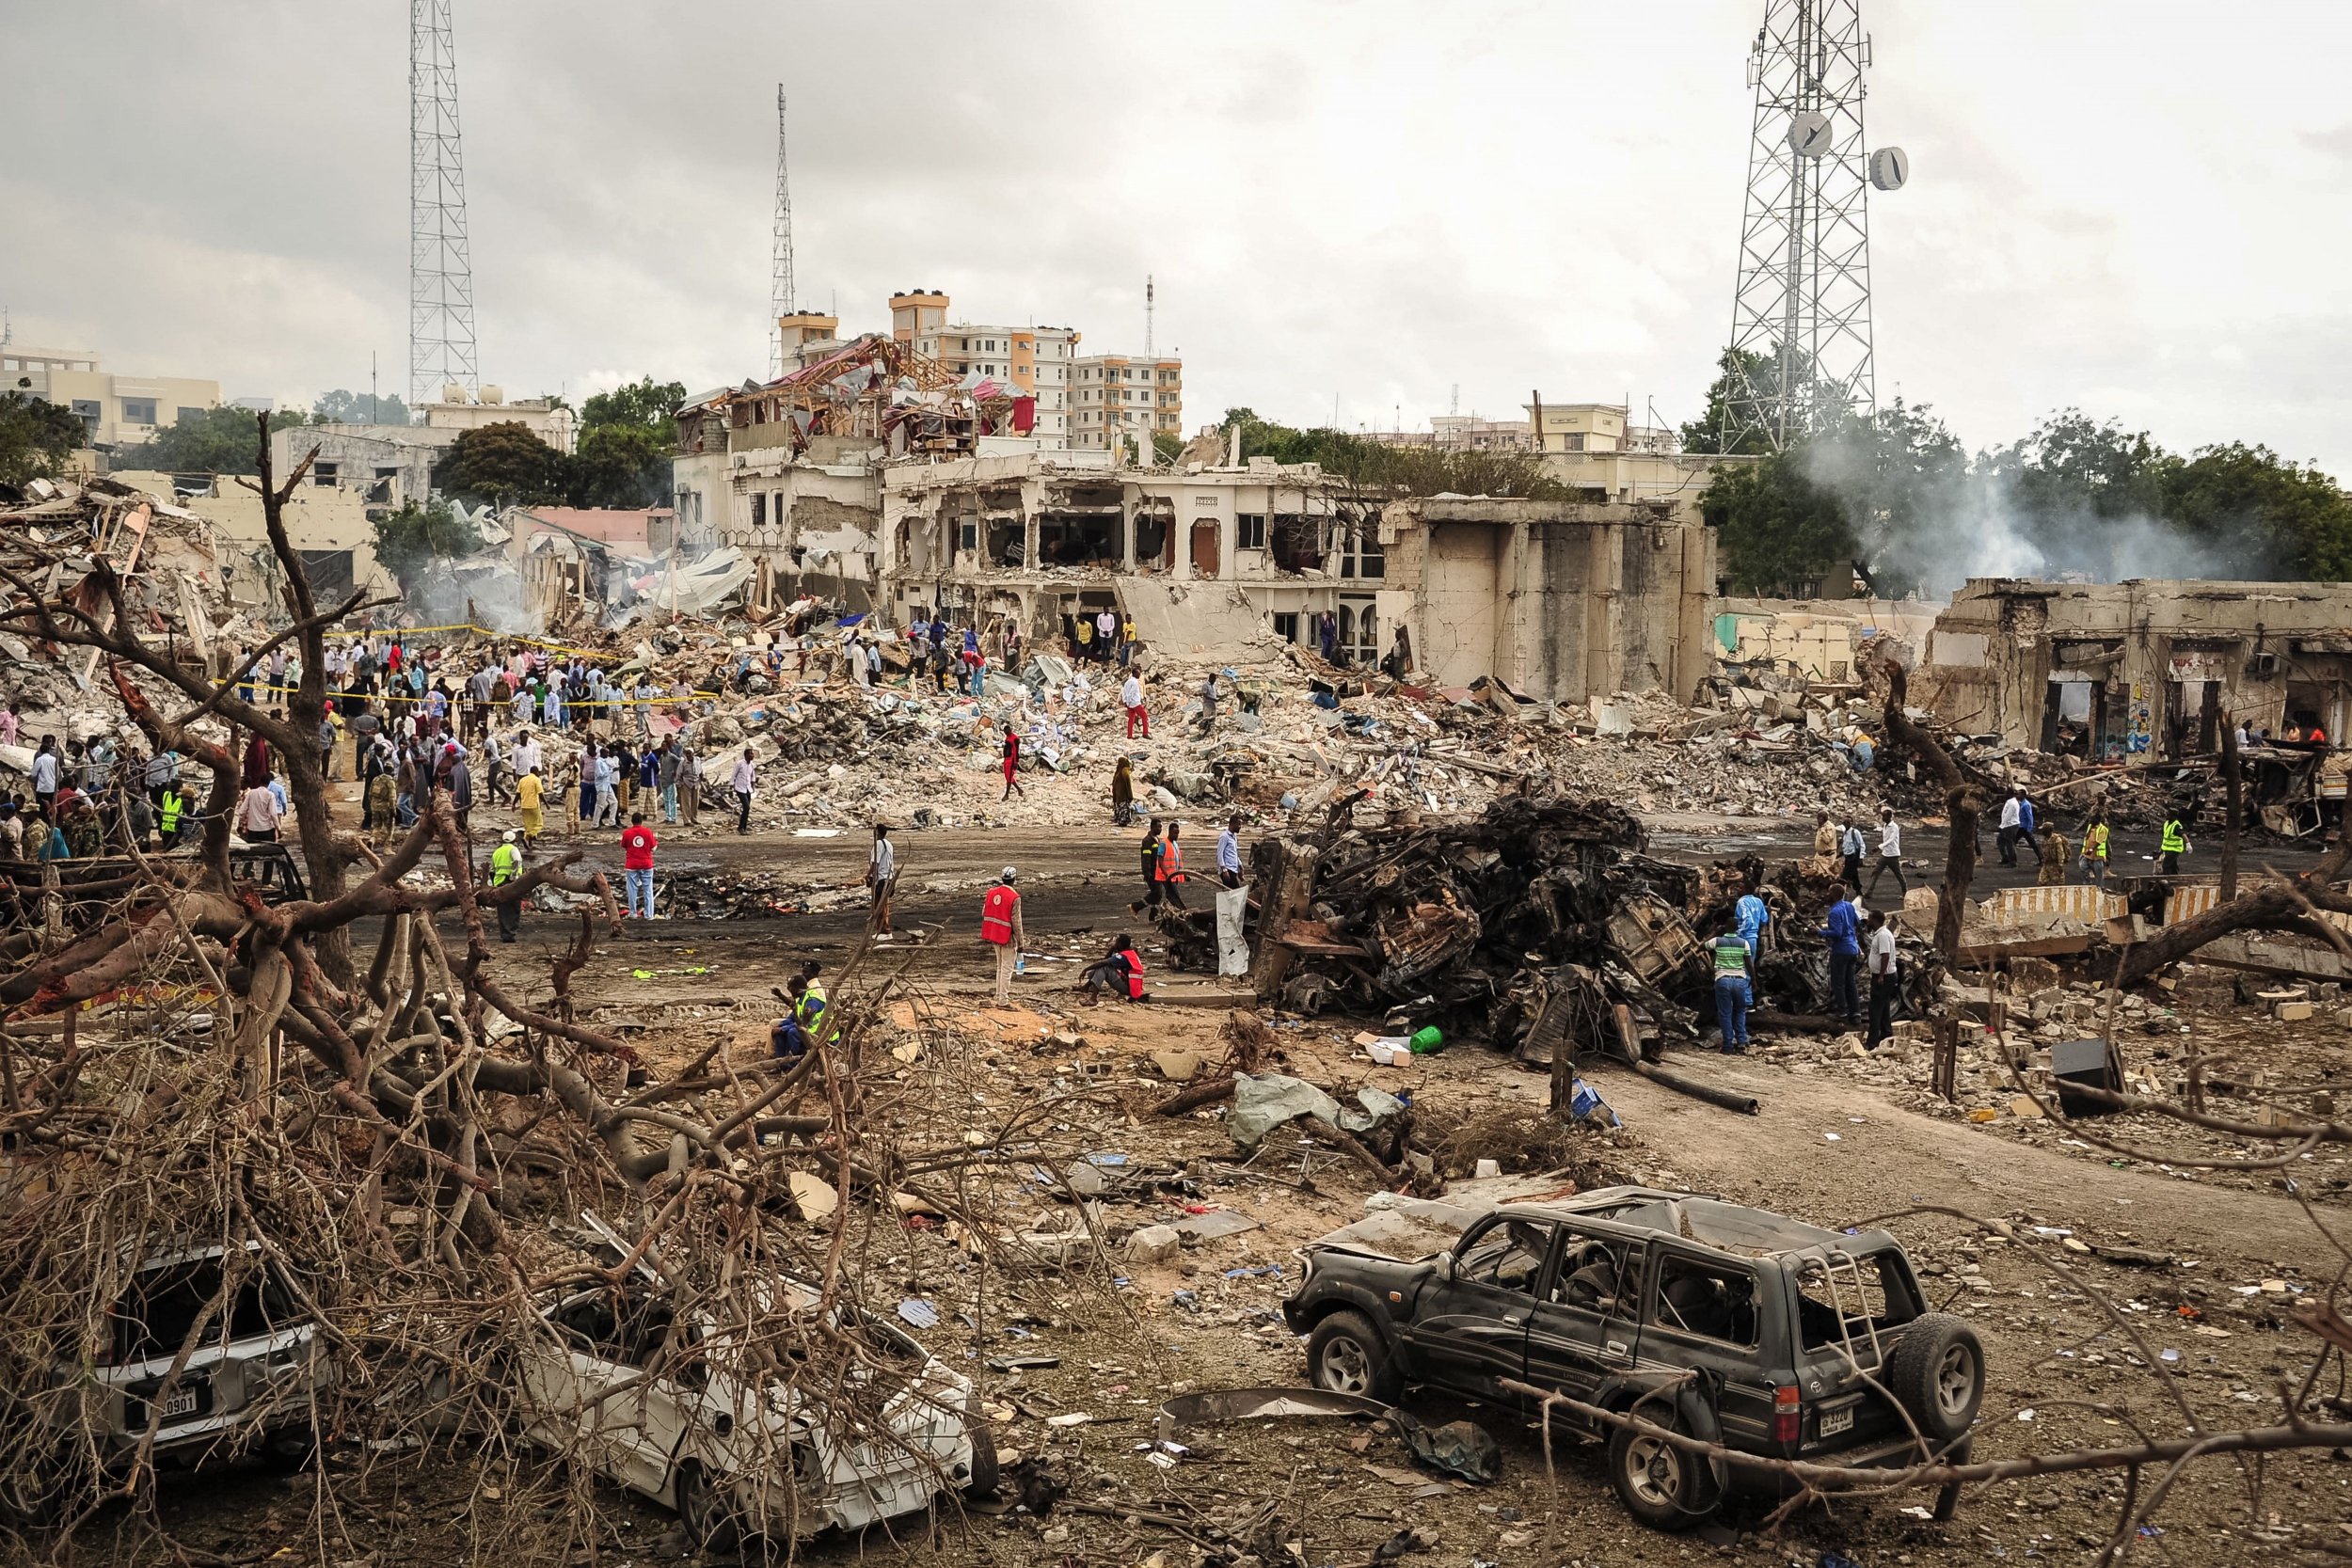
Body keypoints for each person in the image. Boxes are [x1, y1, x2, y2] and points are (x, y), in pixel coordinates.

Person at [981, 866, 1025, 1006]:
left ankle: (999, 996)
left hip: (994, 934)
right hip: (1008, 937)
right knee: (1007, 969)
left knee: (1000, 967)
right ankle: (1003, 1001)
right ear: (1014, 879)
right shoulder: (1014, 897)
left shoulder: (992, 892)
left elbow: (984, 912)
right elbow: (1016, 923)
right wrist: (1021, 943)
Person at [1710, 917, 1753, 1053]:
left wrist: (1716, 933)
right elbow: (1749, 964)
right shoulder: (1744, 943)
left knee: (1725, 1013)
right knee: (1740, 1011)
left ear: (1725, 927)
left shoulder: (1717, 941)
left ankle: (1728, 1046)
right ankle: (1741, 1042)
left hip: (1723, 980)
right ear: (1737, 928)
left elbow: (1701, 946)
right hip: (1740, 981)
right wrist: (1754, 980)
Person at [1821, 888, 1862, 1026]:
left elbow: (1837, 933)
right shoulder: (1849, 906)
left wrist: (1821, 932)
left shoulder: (1834, 912)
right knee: (1851, 983)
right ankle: (1856, 1014)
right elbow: (1857, 922)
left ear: (1833, 895)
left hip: (1840, 950)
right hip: (1853, 949)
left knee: (1838, 983)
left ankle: (1842, 1012)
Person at [1865, 910, 1899, 1050]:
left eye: (1869, 919)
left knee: (1875, 1009)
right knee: (1883, 1007)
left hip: (1884, 976)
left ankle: (1872, 1042)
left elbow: (1885, 956)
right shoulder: (1880, 934)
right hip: (1884, 976)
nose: (1867, 921)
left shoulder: (1883, 935)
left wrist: (1880, 976)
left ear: (1874, 920)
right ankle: (1886, 1035)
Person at [1081, 933, 1147, 1002]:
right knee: (1102, 965)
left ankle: (1093, 998)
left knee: (1104, 967)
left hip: (1129, 988)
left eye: (1116, 942)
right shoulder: (1130, 952)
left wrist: (1085, 969)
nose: (1115, 944)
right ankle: (1086, 987)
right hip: (1132, 986)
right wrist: (1112, 949)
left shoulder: (1123, 957)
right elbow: (1105, 959)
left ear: (1120, 944)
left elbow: (1103, 962)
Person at [621, 812, 658, 924]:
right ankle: (649, 914)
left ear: (632, 821)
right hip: (646, 864)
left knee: (632, 889)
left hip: (631, 865)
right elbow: (653, 847)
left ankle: (633, 913)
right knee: (648, 890)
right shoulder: (648, 832)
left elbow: (623, 846)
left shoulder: (627, 833)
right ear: (642, 821)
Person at [1866, 808, 1906, 900]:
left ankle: (1905, 893)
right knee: (1875, 872)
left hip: (1893, 854)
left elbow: (1890, 840)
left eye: (1884, 816)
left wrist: (1878, 847)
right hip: (1885, 854)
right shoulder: (1885, 826)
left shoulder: (1894, 827)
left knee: (1899, 875)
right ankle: (1869, 892)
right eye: (1882, 815)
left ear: (1890, 816)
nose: (1883, 817)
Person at [491, 830, 523, 942]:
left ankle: (504, 935)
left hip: (499, 882)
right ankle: (511, 934)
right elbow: (517, 861)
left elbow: (492, 869)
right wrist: (514, 876)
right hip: (510, 882)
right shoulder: (513, 849)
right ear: (514, 840)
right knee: (514, 908)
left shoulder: (497, 852)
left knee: (502, 910)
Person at [866, 823, 897, 939]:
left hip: (882, 879)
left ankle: (884, 931)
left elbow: (875, 863)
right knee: (885, 905)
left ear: (877, 832)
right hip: (889, 877)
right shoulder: (889, 844)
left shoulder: (878, 844)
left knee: (879, 906)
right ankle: (884, 929)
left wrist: (868, 875)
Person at [1155, 820, 1188, 910]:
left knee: (1170, 897)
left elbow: (1178, 861)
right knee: (1175, 896)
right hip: (1167, 876)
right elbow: (1160, 859)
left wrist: (1183, 874)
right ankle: (1184, 911)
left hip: (1174, 875)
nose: (1176, 835)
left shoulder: (1175, 844)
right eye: (1175, 833)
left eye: (1178, 833)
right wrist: (1166, 873)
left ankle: (1167, 913)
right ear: (1170, 832)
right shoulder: (1163, 843)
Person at [237, 778, 282, 843]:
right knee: (268, 851)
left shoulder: (251, 793)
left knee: (253, 851)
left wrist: (240, 824)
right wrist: (278, 830)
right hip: (267, 829)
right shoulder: (270, 795)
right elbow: (273, 814)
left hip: (252, 829)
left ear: (259, 783)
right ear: (268, 784)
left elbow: (242, 811)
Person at [1735, 884, 1771, 956]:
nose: (1737, 889)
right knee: (1750, 965)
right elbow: (1764, 920)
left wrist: (1738, 932)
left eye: (1740, 888)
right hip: (1753, 939)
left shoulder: (1742, 902)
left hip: (1743, 938)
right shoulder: (1759, 901)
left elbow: (1748, 920)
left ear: (1746, 890)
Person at [517, 763, 545, 847]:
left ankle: (528, 840)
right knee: (539, 824)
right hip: (533, 805)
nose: (539, 774)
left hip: (524, 805)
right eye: (538, 772)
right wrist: (546, 804)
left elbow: (518, 793)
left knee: (528, 825)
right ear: (536, 772)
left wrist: (514, 804)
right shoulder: (536, 780)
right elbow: (540, 794)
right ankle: (530, 835)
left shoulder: (522, 780)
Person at [2038, 821, 2074, 886]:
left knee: (2057, 883)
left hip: (2055, 864)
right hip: (2046, 864)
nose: (2042, 832)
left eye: (2044, 830)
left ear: (2048, 830)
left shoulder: (2057, 840)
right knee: (2042, 882)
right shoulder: (2045, 840)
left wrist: (2060, 865)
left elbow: (2060, 853)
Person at [2081, 811, 2110, 887]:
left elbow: (2098, 842)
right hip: (2087, 854)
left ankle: (2100, 889)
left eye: (2092, 818)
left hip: (2097, 856)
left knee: (2099, 874)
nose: (2090, 820)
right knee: (2083, 868)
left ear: (2097, 820)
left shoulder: (2102, 829)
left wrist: (2090, 850)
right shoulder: (2090, 826)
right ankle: (2087, 885)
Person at [1996, 788, 2024, 866]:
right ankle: (2005, 857)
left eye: (2006, 793)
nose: (2005, 795)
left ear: (2010, 794)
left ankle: (2013, 861)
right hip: (2008, 824)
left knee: (2009, 843)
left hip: (2011, 825)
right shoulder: (2010, 802)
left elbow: (2008, 816)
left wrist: (2001, 826)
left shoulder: (2012, 803)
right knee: (2000, 841)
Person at [1141, 818, 1165, 909]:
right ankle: (1136, 906)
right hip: (1152, 872)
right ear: (1153, 827)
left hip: (1157, 871)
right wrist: (1147, 872)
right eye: (1159, 827)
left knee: (1158, 895)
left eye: (1161, 827)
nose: (1160, 829)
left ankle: (1153, 915)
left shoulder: (1157, 840)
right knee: (1157, 892)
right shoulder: (1147, 841)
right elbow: (1145, 858)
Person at [732, 746, 756, 834]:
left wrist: (753, 787)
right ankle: (741, 827)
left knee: (747, 809)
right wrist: (732, 786)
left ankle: (744, 827)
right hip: (740, 788)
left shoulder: (752, 765)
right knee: (746, 807)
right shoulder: (740, 764)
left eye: (752, 754)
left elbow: (753, 776)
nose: (752, 755)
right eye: (751, 754)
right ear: (746, 755)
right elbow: (734, 774)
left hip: (748, 789)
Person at [1216, 813, 1244, 889]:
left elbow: (1234, 853)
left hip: (1233, 869)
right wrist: (1224, 870)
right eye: (1238, 824)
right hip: (1228, 870)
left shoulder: (1234, 836)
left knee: (1231, 894)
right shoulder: (1224, 836)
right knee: (1235, 892)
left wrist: (1240, 866)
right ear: (1232, 824)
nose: (1240, 827)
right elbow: (1220, 854)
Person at [1839, 816, 1867, 893]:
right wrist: (1840, 854)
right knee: (1854, 876)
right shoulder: (1844, 833)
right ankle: (1859, 891)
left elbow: (1861, 845)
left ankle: (1840, 894)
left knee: (1844, 877)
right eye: (1845, 822)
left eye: (1849, 822)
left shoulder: (1855, 832)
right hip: (1847, 857)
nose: (1847, 824)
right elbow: (1846, 846)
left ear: (1852, 823)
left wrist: (1861, 857)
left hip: (1853, 857)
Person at [2159, 809, 2189, 875]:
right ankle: (2175, 878)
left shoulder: (2176, 825)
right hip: (2167, 848)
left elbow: (2183, 834)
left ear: (2173, 816)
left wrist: (2188, 844)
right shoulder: (2166, 823)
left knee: (2166, 865)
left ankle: (2165, 881)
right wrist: (2161, 850)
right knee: (2173, 865)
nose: (2166, 816)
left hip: (2175, 849)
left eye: (2168, 815)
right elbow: (2165, 838)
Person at [1121, 669, 1149, 739]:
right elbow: (1132, 693)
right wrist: (1128, 701)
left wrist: (1125, 701)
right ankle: (1145, 733)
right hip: (1135, 702)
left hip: (1129, 704)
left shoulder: (1127, 682)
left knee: (1131, 719)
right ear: (1135, 673)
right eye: (1138, 673)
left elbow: (1124, 692)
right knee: (1144, 716)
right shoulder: (1135, 682)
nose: (1139, 675)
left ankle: (1129, 735)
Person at [1000, 722, 1025, 800]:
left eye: (1008, 732)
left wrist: (1016, 762)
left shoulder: (1015, 739)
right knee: (1008, 776)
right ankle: (1019, 790)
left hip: (1012, 760)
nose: (1007, 734)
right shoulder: (1007, 737)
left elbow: (1016, 751)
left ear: (1010, 730)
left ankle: (1007, 795)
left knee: (1009, 778)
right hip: (1007, 759)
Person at [1111, 756, 1136, 826]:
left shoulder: (1118, 771)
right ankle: (1123, 821)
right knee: (1124, 808)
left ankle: (1121, 821)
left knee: (1121, 808)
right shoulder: (1125, 771)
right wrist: (1130, 795)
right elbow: (1128, 784)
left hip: (1118, 795)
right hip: (1123, 795)